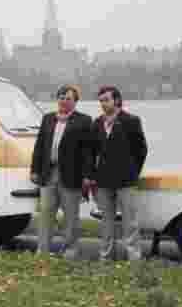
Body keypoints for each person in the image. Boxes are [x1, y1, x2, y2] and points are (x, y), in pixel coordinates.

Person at [29, 84, 94, 259]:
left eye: (68, 98)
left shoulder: (84, 120)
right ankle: (42, 251)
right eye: (61, 97)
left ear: (75, 101)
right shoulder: (48, 118)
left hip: (71, 175)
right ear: (57, 99)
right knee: (45, 214)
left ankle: (71, 251)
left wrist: (88, 176)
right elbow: (40, 146)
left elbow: (89, 151)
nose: (64, 101)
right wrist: (34, 170)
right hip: (48, 174)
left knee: (71, 216)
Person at [91, 85, 148, 262]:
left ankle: (134, 258)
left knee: (130, 222)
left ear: (116, 100)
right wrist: (92, 176)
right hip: (103, 180)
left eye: (106, 99)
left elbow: (141, 150)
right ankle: (105, 257)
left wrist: (132, 171)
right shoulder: (97, 123)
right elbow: (92, 152)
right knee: (106, 222)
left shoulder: (131, 121)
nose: (103, 103)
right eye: (100, 100)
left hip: (126, 180)